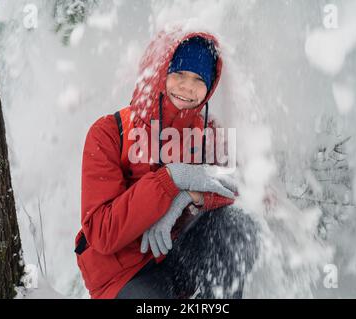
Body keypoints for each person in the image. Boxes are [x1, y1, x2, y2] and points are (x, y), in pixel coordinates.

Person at [74, 28, 258, 299]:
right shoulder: (109, 132)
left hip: (180, 258)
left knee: (237, 224)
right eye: (179, 74)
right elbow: (102, 233)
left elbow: (241, 188)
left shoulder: (210, 134)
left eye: (199, 79)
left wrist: (188, 195)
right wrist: (169, 179)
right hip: (124, 274)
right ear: (159, 72)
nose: (188, 87)